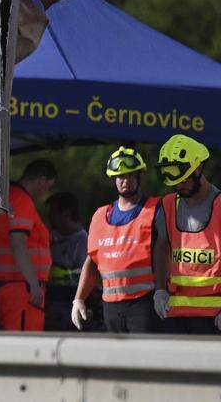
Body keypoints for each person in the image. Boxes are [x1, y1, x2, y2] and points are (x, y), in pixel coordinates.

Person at [72, 146, 162, 333]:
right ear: (113, 179)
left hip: (144, 303)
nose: (125, 181)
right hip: (111, 306)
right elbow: (92, 262)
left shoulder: (156, 210)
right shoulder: (100, 215)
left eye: (130, 176)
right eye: (120, 176)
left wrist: (163, 292)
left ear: (139, 177)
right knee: (117, 359)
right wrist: (79, 299)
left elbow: (165, 252)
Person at [152, 134, 219, 334]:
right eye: (175, 182)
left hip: (213, 316)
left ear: (198, 169)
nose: (178, 186)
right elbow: (162, 247)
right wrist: (160, 290)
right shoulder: (168, 204)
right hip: (175, 313)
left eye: (184, 180)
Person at [0, 159, 55, 331]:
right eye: (48, 186)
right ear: (41, 180)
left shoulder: (10, 197)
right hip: (21, 288)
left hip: (9, 286)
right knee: (24, 348)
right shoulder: (21, 200)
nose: (45, 192)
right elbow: (18, 242)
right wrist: (33, 283)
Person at [45, 191, 87, 331]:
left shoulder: (83, 241)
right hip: (49, 301)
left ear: (67, 214)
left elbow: (83, 275)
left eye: (53, 213)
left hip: (68, 305)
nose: (49, 218)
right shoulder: (51, 237)